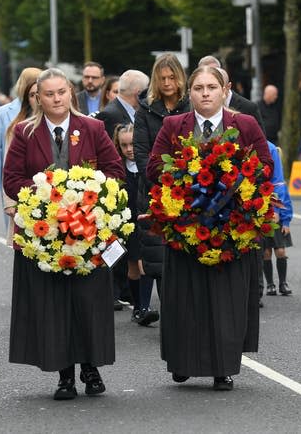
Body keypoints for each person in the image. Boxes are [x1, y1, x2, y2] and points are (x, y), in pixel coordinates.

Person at [146, 65, 272, 391]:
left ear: (224, 90)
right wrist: (189, 171)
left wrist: (231, 178)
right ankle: (183, 362)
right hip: (186, 225)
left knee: (225, 300)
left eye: (211, 87)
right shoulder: (174, 125)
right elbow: (154, 166)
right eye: (199, 87)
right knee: (184, 299)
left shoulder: (244, 124)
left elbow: (264, 165)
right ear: (189, 92)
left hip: (232, 226)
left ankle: (223, 367)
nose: (205, 93)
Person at [3, 67, 124, 400]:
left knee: (88, 302)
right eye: (48, 94)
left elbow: (114, 170)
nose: (56, 99)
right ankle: (65, 376)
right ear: (38, 98)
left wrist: (90, 192)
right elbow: (11, 179)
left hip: (87, 233)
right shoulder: (25, 132)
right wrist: (45, 195)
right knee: (54, 305)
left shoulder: (94, 128)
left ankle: (91, 368)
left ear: (70, 93)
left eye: (61, 92)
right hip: (44, 235)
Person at [133, 53, 189, 317]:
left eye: (171, 77)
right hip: (155, 189)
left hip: (189, 189)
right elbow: (142, 153)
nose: (167, 83)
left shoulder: (191, 106)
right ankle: (168, 314)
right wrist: (161, 182)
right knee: (158, 257)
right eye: (162, 78)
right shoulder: (144, 109)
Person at [0, 67, 42, 228]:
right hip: (15, 177)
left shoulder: (47, 109)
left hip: (42, 176)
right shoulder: (5, 112)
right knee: (17, 227)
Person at [113, 123, 159, 325]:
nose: (129, 149)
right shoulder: (118, 168)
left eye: (132, 144)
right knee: (133, 267)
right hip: (126, 223)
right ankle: (137, 306)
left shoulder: (147, 165)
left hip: (146, 220)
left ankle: (144, 307)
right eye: (124, 145)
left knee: (144, 265)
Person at [0, 76, 40, 245]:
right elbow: (8, 167)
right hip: (27, 199)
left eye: (39, 93)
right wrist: (9, 202)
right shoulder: (19, 127)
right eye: (31, 95)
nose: (36, 99)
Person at [262, 141, 294, 297]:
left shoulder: (271, 148)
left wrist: (285, 219)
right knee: (266, 252)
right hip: (259, 210)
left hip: (276, 213)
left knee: (280, 251)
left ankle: (283, 282)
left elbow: (280, 188)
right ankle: (270, 285)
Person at [95, 69, 149, 139]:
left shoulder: (137, 112)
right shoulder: (109, 115)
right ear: (139, 93)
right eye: (146, 90)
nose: (148, 95)